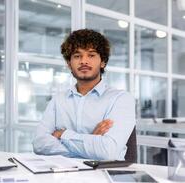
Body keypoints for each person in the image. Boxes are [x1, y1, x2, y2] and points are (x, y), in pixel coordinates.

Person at [32, 29, 135, 160]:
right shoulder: (59, 99)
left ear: (103, 62)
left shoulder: (121, 99)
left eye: (91, 55)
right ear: (69, 64)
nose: (84, 61)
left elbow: (109, 152)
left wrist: (64, 135)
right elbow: (39, 144)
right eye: (77, 56)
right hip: (62, 175)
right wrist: (92, 140)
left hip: (105, 175)